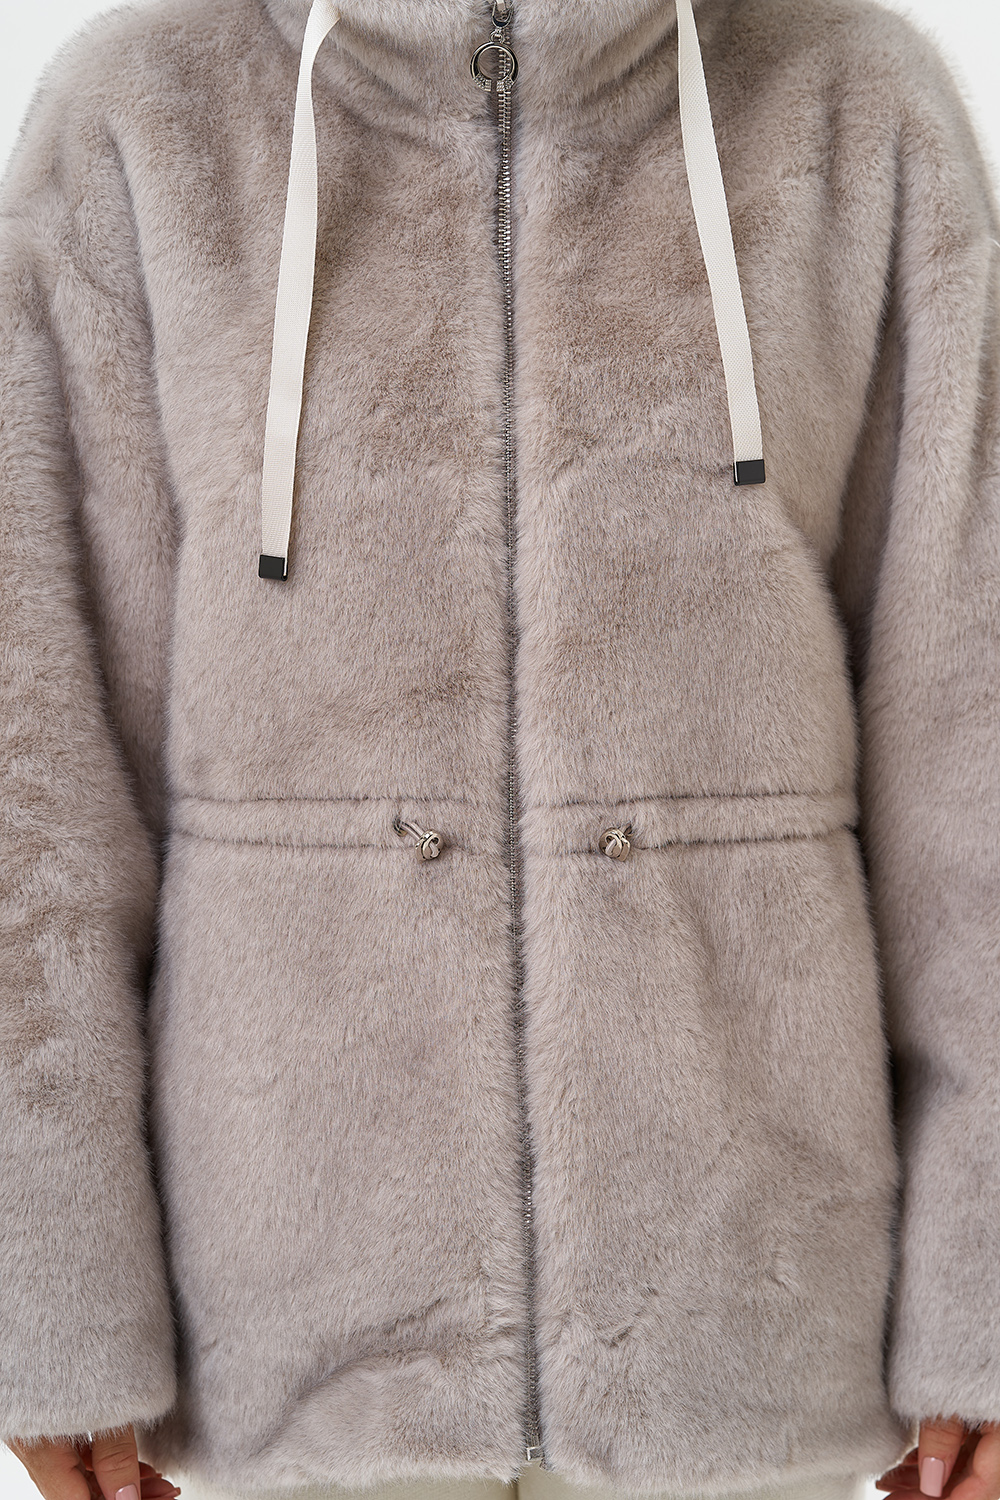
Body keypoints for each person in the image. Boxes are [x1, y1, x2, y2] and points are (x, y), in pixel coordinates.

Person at [1, 0, 998, 1498]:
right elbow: (37, 767)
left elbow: (970, 744)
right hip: (289, 1347)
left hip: (749, 1337)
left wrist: (985, 1296)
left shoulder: (855, 104)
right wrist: (48, 1299)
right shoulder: (140, 120)